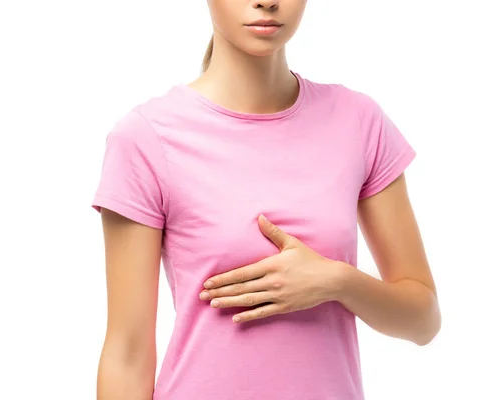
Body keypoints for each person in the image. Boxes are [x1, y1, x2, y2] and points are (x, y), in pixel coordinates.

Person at [90, 1, 442, 399]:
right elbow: (127, 354)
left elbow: (423, 320)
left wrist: (337, 281)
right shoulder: (146, 138)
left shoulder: (359, 121)